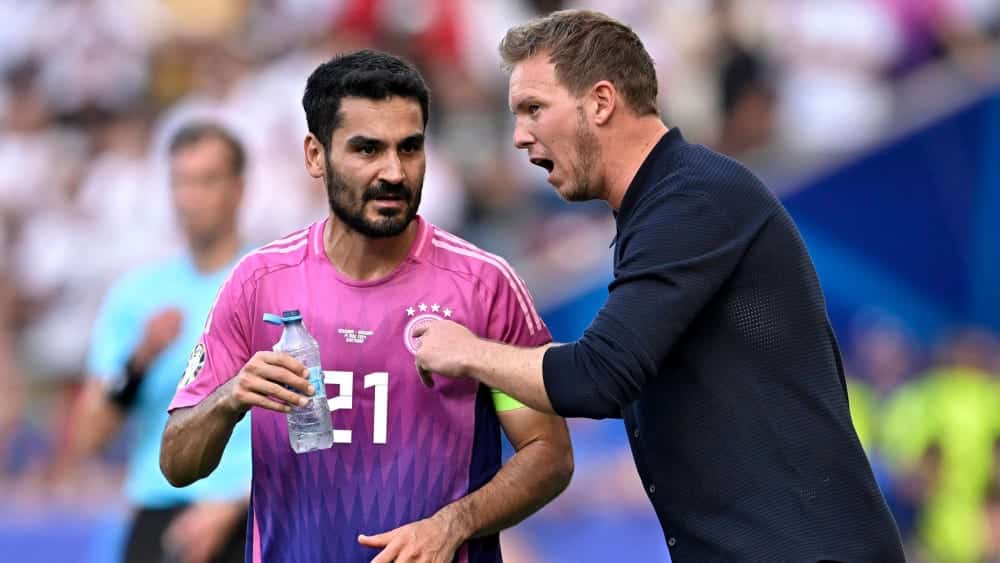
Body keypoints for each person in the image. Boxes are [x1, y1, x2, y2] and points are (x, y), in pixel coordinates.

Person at [411, 9, 905, 562]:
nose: (521, 137)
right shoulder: (667, 204)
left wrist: (468, 352)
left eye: (534, 109)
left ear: (601, 101)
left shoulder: (692, 199)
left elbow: (597, 376)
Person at [159, 49, 573, 563]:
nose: (394, 172)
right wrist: (229, 398)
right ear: (315, 156)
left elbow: (548, 454)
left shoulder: (484, 287)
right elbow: (177, 463)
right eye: (367, 149)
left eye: (410, 148)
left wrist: (453, 525)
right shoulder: (258, 283)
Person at [71, 123, 253, 563]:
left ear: (238, 188)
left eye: (207, 180)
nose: (191, 197)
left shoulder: (270, 284)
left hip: (254, 508)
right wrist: (138, 362)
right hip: (161, 510)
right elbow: (86, 436)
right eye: (181, 182)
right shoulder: (138, 295)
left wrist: (237, 502)